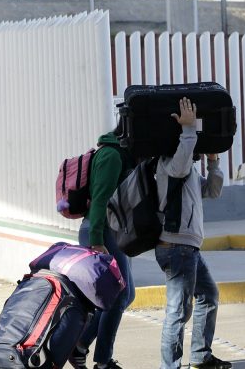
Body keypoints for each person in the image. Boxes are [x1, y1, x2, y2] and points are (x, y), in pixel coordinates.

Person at [154, 98, 231, 369]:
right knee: (177, 311)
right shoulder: (168, 165)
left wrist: (213, 162)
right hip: (176, 248)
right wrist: (188, 129)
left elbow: (212, 190)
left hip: (187, 248)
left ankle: (200, 356)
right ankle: (170, 366)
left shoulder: (187, 173)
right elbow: (181, 162)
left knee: (208, 295)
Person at [70, 124, 136, 369]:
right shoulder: (111, 155)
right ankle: (103, 361)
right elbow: (100, 199)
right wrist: (97, 241)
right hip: (100, 231)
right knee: (117, 296)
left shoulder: (121, 154)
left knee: (125, 295)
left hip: (110, 231)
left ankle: (79, 346)